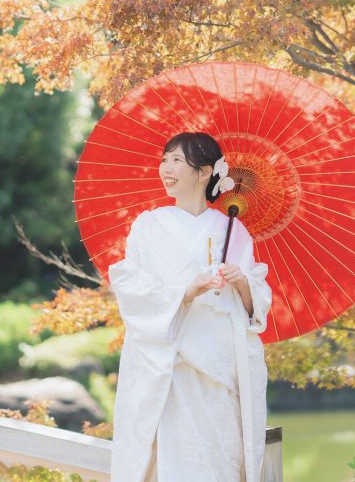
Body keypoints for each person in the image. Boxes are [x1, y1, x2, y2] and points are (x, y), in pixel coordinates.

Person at [109, 132, 272, 482]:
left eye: (177, 161)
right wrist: (185, 291)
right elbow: (131, 287)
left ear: (204, 172)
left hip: (218, 364)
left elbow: (253, 310)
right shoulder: (147, 226)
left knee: (218, 460)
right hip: (169, 365)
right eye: (165, 159)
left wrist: (242, 282)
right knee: (168, 460)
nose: (166, 168)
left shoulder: (234, 230)